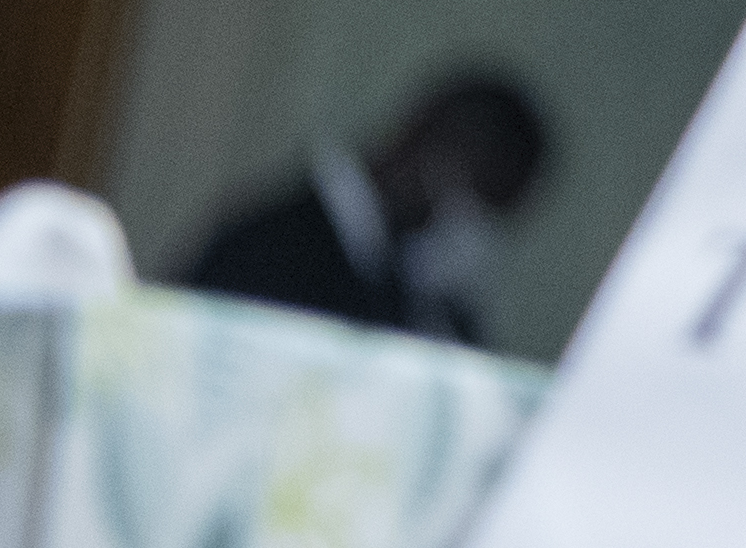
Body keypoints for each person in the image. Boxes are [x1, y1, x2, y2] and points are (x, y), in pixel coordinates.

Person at [179, 61, 553, 350]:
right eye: (479, 204)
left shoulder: (417, 286)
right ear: (437, 153)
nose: (475, 232)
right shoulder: (268, 247)